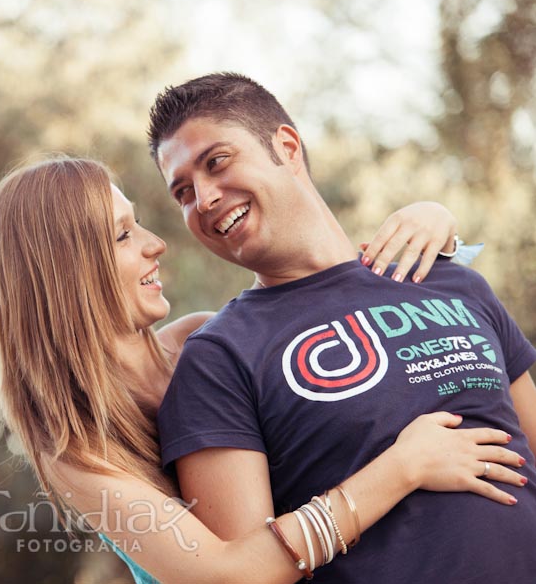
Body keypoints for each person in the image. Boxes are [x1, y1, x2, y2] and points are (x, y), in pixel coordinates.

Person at [0, 156, 527, 583]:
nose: (156, 244)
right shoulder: (78, 453)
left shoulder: (205, 340)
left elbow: (323, 319)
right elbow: (226, 576)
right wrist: (403, 467)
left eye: (139, 224)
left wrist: (437, 222)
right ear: (65, 272)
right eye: (123, 235)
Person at [149, 72, 536, 583]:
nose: (203, 198)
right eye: (182, 192)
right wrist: (403, 467)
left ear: (286, 147)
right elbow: (243, 572)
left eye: (216, 162)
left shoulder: (452, 281)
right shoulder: (219, 356)